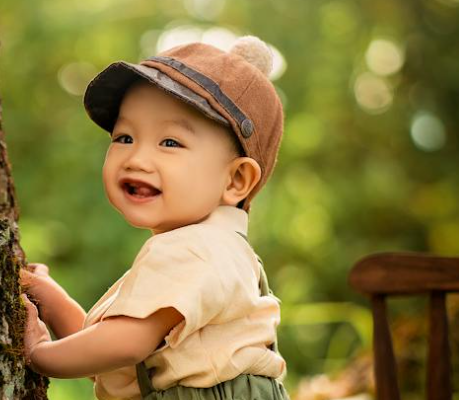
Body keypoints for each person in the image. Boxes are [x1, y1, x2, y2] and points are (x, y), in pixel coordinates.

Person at [20, 35, 291, 400]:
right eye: (125, 137)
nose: (136, 159)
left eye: (170, 143)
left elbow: (125, 344)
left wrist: (40, 355)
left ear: (236, 180)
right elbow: (112, 356)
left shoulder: (195, 250)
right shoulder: (217, 252)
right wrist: (53, 304)